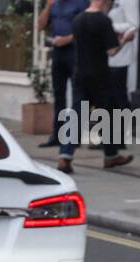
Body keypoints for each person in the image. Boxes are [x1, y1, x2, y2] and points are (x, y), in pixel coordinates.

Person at [65, 0, 136, 173]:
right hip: (99, 76)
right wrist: (126, 39)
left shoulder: (78, 19)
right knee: (107, 114)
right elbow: (111, 51)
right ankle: (110, 156)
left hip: (79, 73)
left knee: (78, 113)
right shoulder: (104, 21)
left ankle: (65, 155)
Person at [37, 0, 88, 166]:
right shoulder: (54, 4)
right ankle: (57, 135)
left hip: (75, 51)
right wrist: (48, 6)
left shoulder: (81, 3)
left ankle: (72, 139)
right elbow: (40, 25)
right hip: (58, 52)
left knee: (77, 98)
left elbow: (86, 29)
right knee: (58, 94)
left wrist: (67, 39)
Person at [107, 0, 140, 114]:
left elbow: (134, 25)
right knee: (104, 98)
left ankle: (121, 129)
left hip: (119, 57)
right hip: (100, 56)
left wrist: (108, 26)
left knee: (117, 96)